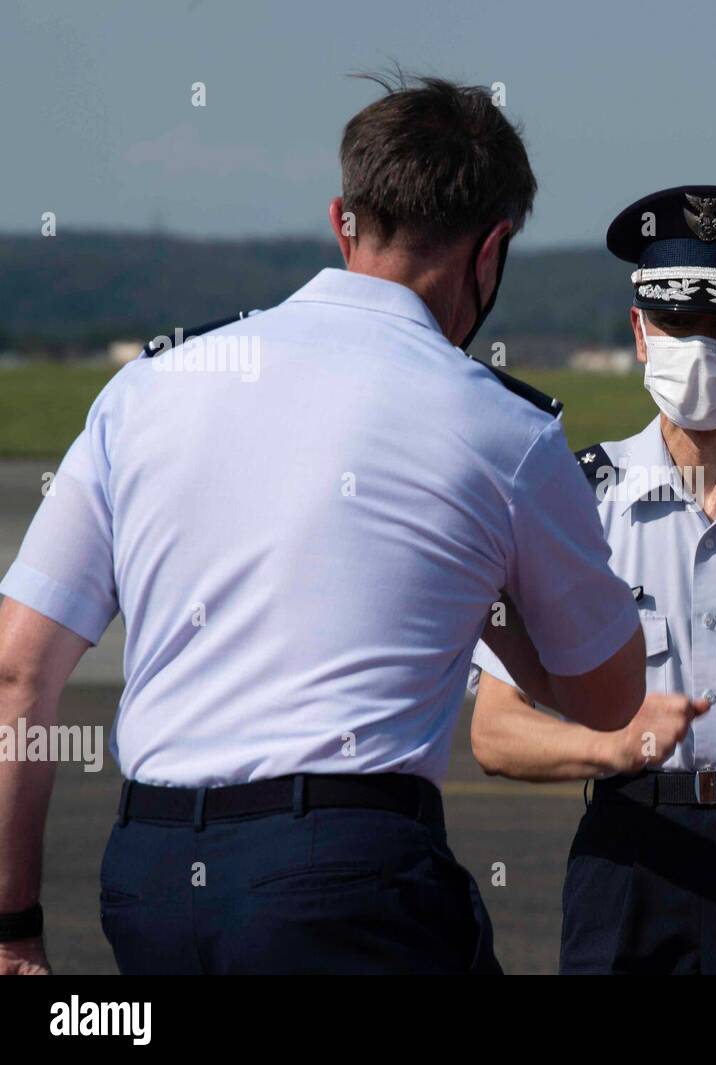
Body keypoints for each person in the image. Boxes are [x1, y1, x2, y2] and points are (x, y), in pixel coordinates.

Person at [0, 74, 646, 977]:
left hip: (148, 876)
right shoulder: (507, 430)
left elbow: (19, 668)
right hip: (346, 877)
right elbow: (607, 699)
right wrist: (486, 594)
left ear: (343, 220)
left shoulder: (144, 390)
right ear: (492, 248)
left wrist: (12, 926)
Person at [468, 186, 716, 974]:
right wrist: (615, 743)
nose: (699, 347)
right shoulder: (572, 503)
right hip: (633, 853)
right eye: (675, 323)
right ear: (640, 333)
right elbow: (496, 733)